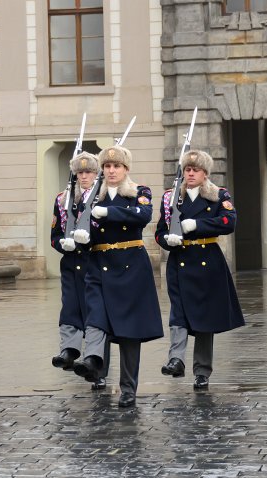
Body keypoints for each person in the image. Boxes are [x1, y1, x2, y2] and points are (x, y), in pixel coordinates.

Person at [71, 145, 163, 407]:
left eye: (117, 166)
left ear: (126, 169)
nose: (111, 170)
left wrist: (108, 212)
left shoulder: (138, 192)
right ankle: (93, 362)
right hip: (99, 264)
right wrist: (81, 238)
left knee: (128, 332)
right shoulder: (89, 197)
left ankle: (128, 388)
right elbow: (80, 228)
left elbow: (143, 216)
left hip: (130, 266)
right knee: (95, 317)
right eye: (107, 166)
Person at [155, 150, 245, 389]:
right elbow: (159, 231)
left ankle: (202, 371)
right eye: (187, 169)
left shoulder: (217, 195)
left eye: (196, 170)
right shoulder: (172, 198)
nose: (191, 173)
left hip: (207, 260)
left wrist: (198, 224)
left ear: (205, 173)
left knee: (205, 319)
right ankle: (176, 359)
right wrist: (168, 240)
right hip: (180, 260)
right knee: (178, 312)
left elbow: (229, 222)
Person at [49, 152, 109, 389]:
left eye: (89, 172)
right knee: (71, 310)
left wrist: (89, 240)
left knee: (96, 315)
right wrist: (62, 244)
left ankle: (96, 366)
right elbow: (54, 234)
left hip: (95, 261)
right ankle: (69, 350)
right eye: (80, 172)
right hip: (72, 264)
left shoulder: (104, 198)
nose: (84, 176)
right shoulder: (63, 199)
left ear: (96, 174)